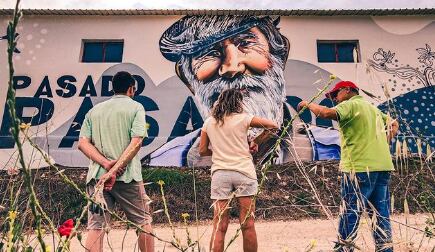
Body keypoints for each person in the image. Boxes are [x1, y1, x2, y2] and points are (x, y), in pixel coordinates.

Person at [156, 15, 294, 165]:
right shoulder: (163, 160)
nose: (232, 67)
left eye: (245, 43)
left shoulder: (321, 146)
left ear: (280, 57)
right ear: (187, 79)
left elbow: (204, 151)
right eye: (209, 52)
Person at [297, 81, 399, 251]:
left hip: (358, 168)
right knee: (380, 214)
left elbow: (325, 113)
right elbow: (394, 124)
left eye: (335, 95)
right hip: (382, 166)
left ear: (347, 90)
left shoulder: (350, 105)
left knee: (350, 212)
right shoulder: (372, 108)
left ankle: (343, 249)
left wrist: (308, 104)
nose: (335, 99)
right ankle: (385, 249)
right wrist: (383, 142)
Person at [78, 71, 154, 252]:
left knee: (96, 227)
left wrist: (106, 165)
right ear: (131, 89)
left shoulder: (94, 111)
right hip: (128, 177)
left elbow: (82, 143)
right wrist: (116, 169)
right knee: (143, 222)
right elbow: (137, 142)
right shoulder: (136, 107)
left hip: (98, 178)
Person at [199, 88, 278, 252]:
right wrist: (256, 141)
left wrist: (218, 151)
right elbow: (273, 126)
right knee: (247, 223)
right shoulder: (244, 119)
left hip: (220, 174)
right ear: (239, 102)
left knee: (219, 224)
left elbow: (202, 151)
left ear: (219, 102)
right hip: (244, 173)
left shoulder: (209, 122)